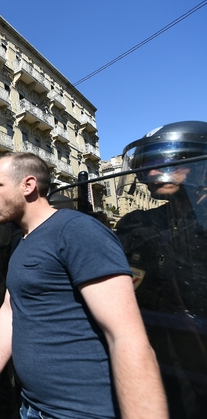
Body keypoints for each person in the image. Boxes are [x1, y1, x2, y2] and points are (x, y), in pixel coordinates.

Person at [0, 153, 167, 419]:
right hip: (32, 407)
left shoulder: (76, 231)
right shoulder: (24, 240)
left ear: (28, 186)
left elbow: (128, 338)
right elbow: (11, 310)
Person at [114, 120, 207, 418]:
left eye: (162, 163)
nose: (150, 173)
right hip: (164, 349)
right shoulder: (145, 223)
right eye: (146, 165)